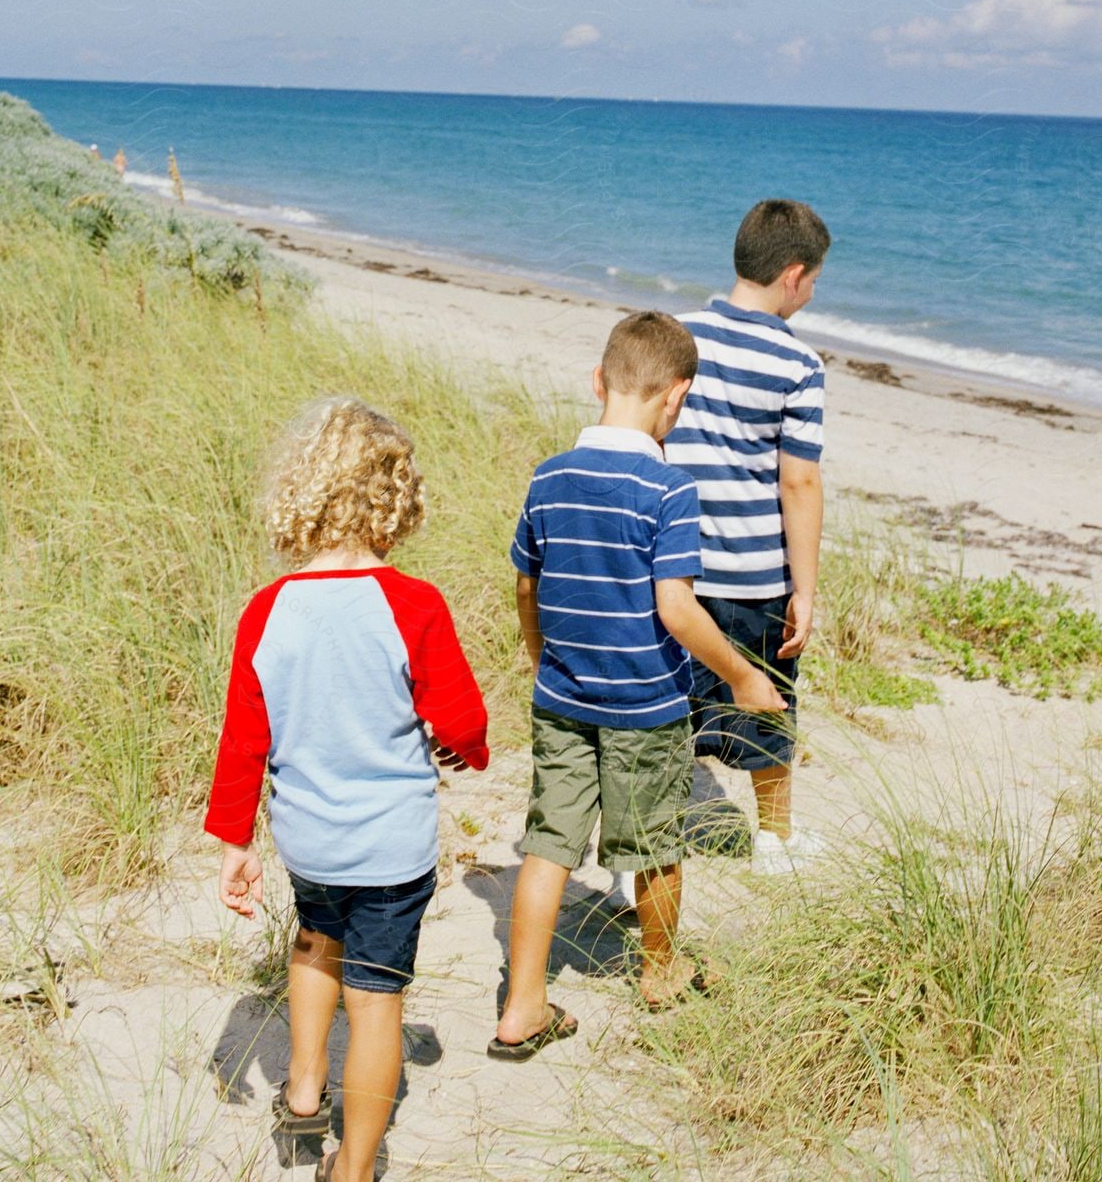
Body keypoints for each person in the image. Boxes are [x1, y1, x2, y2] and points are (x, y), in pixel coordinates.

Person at [490, 311, 788, 1059]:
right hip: (648, 706)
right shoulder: (668, 489)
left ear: (598, 381)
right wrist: (745, 678)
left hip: (561, 697)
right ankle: (658, 973)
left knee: (548, 843)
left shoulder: (549, 476)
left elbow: (526, 584)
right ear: (676, 398)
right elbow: (676, 608)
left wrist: (538, 657)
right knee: (656, 843)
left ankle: (523, 1003)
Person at [205, 399, 488, 1182]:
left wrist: (235, 846)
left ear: (305, 494)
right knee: (375, 1001)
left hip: (309, 841)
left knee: (313, 945)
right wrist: (469, 750)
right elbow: (461, 717)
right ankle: (354, 1168)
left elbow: (243, 744)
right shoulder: (413, 605)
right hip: (391, 849)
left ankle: (302, 1097)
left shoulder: (267, 610)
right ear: (395, 498)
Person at [664, 198, 830, 876]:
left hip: (677, 573)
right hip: (757, 575)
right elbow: (799, 484)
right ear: (793, 275)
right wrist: (806, 589)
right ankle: (774, 841)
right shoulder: (798, 363)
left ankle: (656, 828)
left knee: (671, 711)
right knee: (770, 709)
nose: (813, 293)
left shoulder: (677, 337)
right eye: (815, 280)